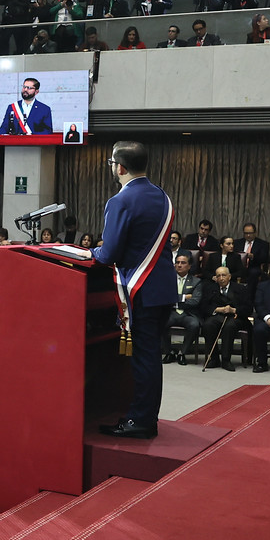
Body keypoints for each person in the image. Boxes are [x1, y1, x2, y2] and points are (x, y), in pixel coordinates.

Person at [90, 140, 177, 439]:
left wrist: (91, 253)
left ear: (120, 167)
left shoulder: (121, 201)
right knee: (150, 356)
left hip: (141, 290)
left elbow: (108, 253)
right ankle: (145, 415)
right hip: (163, 288)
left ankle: (141, 420)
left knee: (144, 357)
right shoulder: (162, 197)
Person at [200, 266, 250, 371]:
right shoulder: (210, 288)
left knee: (229, 326)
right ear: (216, 278)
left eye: (224, 275)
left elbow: (248, 308)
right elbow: (203, 307)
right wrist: (218, 309)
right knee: (208, 325)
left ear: (229, 276)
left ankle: (226, 359)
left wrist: (233, 310)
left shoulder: (240, 289)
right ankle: (214, 359)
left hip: (235, 317)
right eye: (218, 276)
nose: (221, 278)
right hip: (217, 315)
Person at [163, 253, 203, 363]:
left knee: (194, 325)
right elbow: (164, 297)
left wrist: (174, 300)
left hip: (188, 313)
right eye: (177, 262)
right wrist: (185, 297)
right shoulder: (167, 280)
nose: (179, 265)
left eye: (183, 263)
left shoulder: (196, 281)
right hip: (171, 312)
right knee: (160, 322)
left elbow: (195, 301)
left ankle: (182, 353)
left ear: (189, 266)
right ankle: (169, 352)